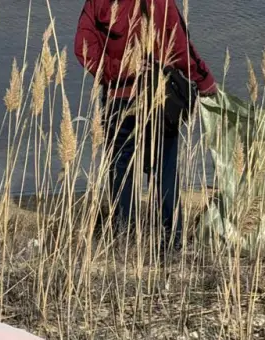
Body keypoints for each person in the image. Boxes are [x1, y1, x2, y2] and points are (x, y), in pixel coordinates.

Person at [75, 0, 218, 256]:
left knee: (120, 170)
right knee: (164, 169)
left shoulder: (97, 2)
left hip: (118, 99)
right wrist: (204, 80)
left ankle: (126, 239)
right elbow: (180, 47)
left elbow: (84, 49)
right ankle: (170, 242)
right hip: (158, 96)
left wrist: (118, 69)